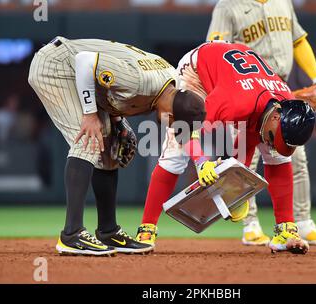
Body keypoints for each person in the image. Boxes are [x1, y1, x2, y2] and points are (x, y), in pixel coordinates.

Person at [28, 36, 206, 256]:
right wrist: (90, 114)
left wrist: (117, 119)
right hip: (57, 66)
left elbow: (110, 89)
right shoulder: (139, 81)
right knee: (89, 139)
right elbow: (85, 62)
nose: (171, 127)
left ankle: (108, 230)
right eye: (174, 124)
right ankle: (71, 234)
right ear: (171, 114)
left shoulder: (171, 85)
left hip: (78, 72)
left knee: (110, 149)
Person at [136, 41, 315, 254]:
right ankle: (146, 229)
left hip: (240, 75)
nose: (270, 143)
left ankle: (286, 231)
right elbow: (184, 126)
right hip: (198, 71)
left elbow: (251, 137)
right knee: (175, 154)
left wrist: (235, 188)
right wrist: (202, 162)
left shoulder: (284, 101)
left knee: (277, 157)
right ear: (276, 117)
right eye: (271, 137)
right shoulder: (234, 102)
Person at [206, 0, 316, 246]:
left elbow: (298, 40)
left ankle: (304, 223)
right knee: (245, 162)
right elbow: (215, 49)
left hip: (281, 90)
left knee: (295, 159)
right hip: (247, 92)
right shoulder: (228, 6)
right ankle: (250, 225)